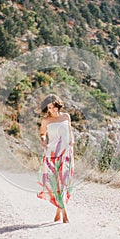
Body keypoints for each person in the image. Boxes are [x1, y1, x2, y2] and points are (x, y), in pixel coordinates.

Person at [37, 94, 75, 223]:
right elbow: (42, 134)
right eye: (48, 108)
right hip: (51, 155)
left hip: (66, 154)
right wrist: (43, 142)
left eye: (53, 107)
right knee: (56, 184)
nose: (51, 110)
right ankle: (64, 213)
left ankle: (59, 210)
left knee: (64, 183)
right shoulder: (45, 120)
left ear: (58, 106)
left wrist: (72, 141)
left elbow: (70, 132)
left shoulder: (66, 117)